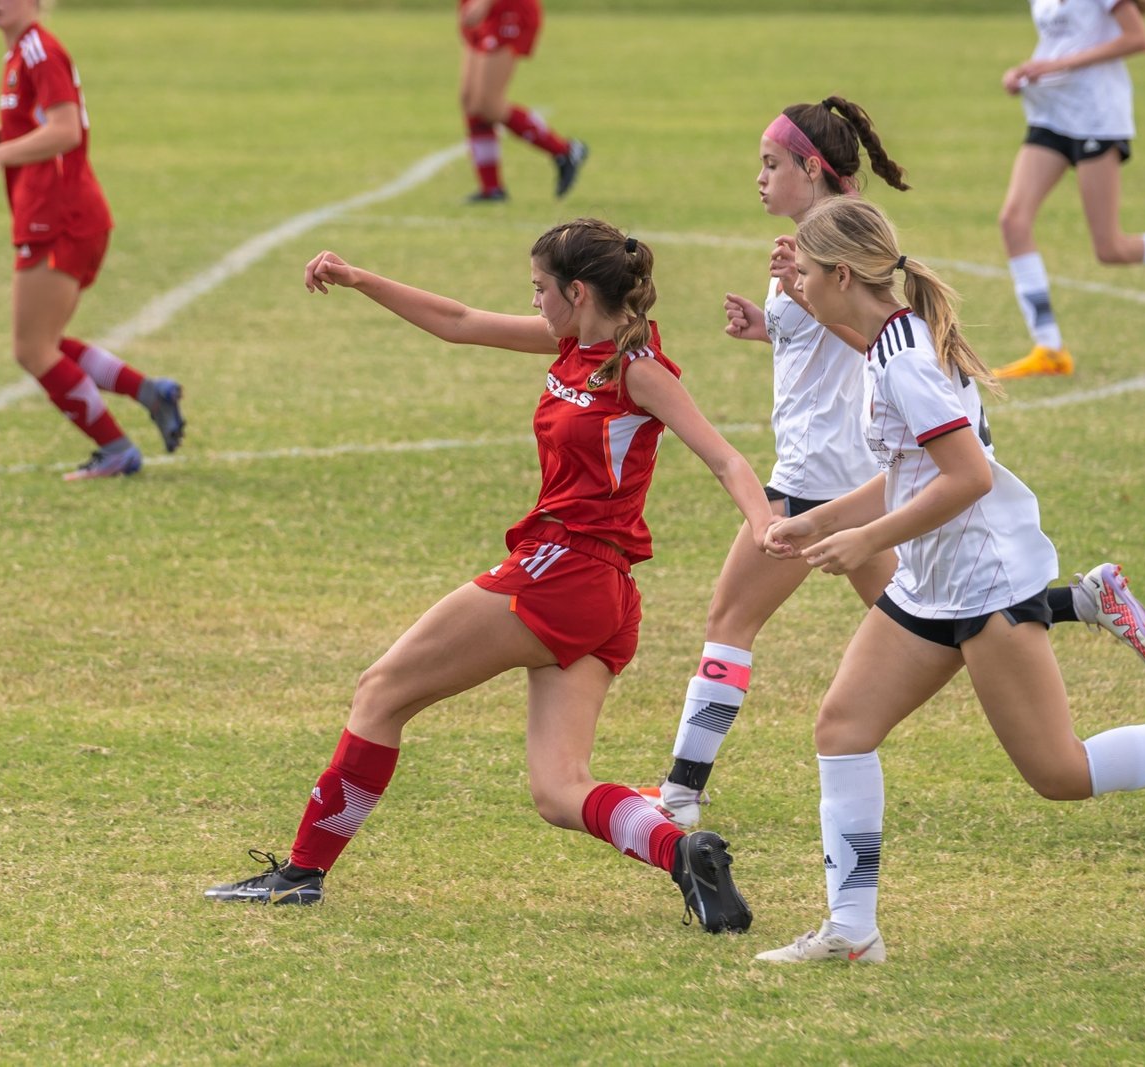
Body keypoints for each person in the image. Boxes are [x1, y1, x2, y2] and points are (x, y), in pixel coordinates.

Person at [205, 219, 771, 933]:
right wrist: (358, 278)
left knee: (379, 691)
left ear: (577, 291)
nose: (532, 300)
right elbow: (460, 322)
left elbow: (725, 458)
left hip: (562, 572)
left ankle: (301, 874)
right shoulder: (573, 344)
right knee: (559, 790)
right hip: (598, 592)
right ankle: (682, 852)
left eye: (539, 288)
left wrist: (763, 524)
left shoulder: (638, 370)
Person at [641, 98, 1145, 833]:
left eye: (770, 163)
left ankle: (679, 792)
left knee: (1052, 762)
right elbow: (857, 354)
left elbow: (959, 459)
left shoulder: (874, 313)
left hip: (853, 491)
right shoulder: (845, 286)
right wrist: (773, 326)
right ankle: (1075, 601)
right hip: (880, 511)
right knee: (866, 700)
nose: (758, 177)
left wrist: (858, 531)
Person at [753, 196, 1145, 964]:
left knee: (1060, 771)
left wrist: (866, 540)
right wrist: (821, 521)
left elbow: (968, 476)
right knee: (842, 728)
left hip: (985, 584)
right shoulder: (890, 343)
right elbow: (911, 473)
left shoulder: (903, 360)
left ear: (841, 274)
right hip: (930, 582)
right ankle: (852, 931)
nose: (797, 285)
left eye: (805, 272)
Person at [0, 0, 185, 479]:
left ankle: (117, 449)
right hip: (57, 214)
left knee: (33, 349)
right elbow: (45, 127)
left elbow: (66, 131)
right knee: (45, 342)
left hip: (59, 217)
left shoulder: (39, 50)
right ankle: (150, 392)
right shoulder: (21, 52)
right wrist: (6, 138)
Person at [994, 0, 1145, 379]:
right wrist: (1024, 73)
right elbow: (1058, 44)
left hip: (1096, 116)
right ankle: (1049, 349)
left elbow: (1137, 38)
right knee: (1013, 222)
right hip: (1050, 115)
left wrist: (1058, 65)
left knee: (1111, 248)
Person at [458, 0, 587, 202]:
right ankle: (491, 188)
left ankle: (565, 150)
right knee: (470, 101)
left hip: (506, 8)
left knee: (488, 105)